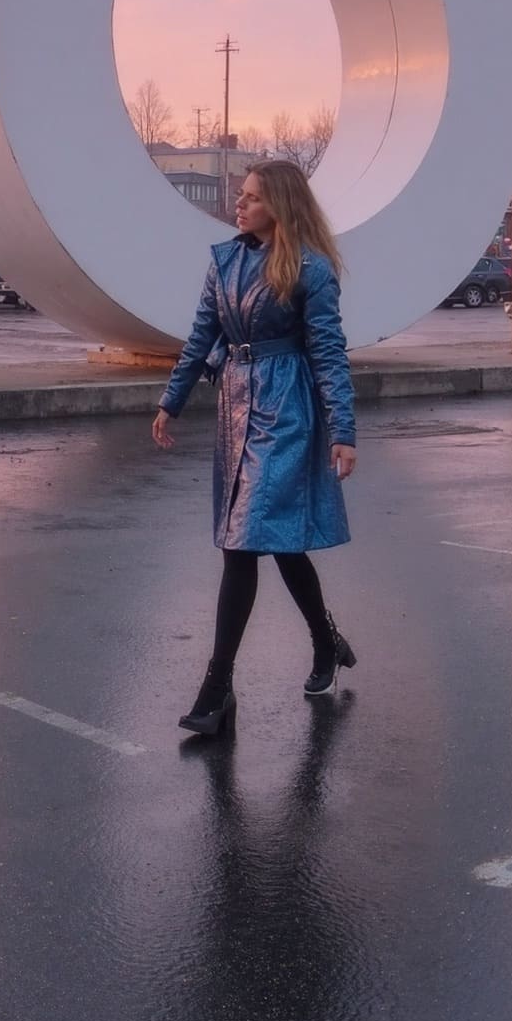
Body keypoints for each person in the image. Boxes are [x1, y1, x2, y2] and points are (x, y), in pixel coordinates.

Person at [152, 160, 359, 742]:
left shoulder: (312, 270)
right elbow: (201, 337)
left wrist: (342, 430)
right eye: (239, 197)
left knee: (244, 540)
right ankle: (325, 640)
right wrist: (171, 399)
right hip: (236, 406)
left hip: (288, 410)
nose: (238, 206)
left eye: (249, 198)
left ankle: (217, 688)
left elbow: (328, 352)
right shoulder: (225, 260)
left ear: (280, 206)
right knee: (272, 538)